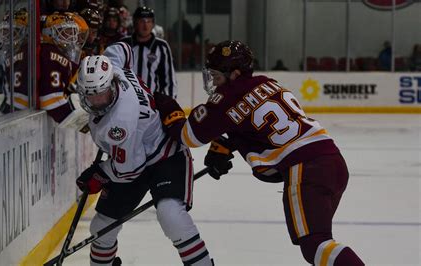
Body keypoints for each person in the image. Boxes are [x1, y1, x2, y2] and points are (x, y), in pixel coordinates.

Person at [154, 40, 365, 266]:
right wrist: (227, 143)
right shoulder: (267, 83)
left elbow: (188, 136)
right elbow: (255, 125)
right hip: (332, 160)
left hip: (305, 169)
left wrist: (167, 106)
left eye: (216, 76)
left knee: (315, 244)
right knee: (322, 246)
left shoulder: (226, 97)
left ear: (234, 73)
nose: (214, 82)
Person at [74, 53, 214, 266]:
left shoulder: (119, 122)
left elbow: (130, 169)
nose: (97, 102)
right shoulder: (115, 65)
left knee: (171, 215)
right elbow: (123, 49)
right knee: (101, 228)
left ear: (112, 85)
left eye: (101, 94)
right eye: (91, 96)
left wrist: (101, 173)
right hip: (132, 155)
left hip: (165, 156)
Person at [39, 12, 89, 131]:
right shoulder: (50, 55)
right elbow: (51, 101)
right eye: (66, 32)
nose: (73, 38)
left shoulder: (57, 54)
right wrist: (79, 123)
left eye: (73, 32)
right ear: (50, 33)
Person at [121, 6, 178, 98]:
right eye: (142, 21)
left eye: (149, 21)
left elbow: (169, 80)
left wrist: (168, 104)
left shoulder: (161, 47)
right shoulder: (124, 44)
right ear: (135, 23)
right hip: (126, 101)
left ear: (153, 24)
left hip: (151, 104)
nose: (146, 25)